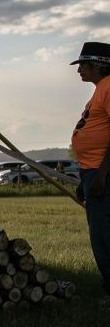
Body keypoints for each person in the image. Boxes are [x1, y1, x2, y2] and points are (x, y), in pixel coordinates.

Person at [70, 41, 110, 298]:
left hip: (101, 172)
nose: (79, 70)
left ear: (98, 65)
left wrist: (102, 175)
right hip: (92, 171)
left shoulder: (109, 88)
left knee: (104, 235)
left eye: (83, 64)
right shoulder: (101, 89)